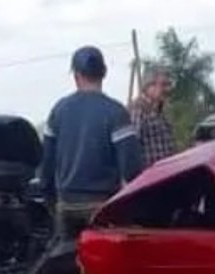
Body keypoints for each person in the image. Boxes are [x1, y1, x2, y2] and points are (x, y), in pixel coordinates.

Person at [40, 45, 143, 240]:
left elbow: (46, 164)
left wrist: (52, 201)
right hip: (102, 206)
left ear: (76, 75)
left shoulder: (59, 110)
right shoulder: (116, 112)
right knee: (103, 268)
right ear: (104, 73)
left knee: (67, 266)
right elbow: (132, 169)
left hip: (67, 204)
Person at [130, 66, 176, 166]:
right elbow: (131, 148)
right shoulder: (138, 109)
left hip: (167, 173)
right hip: (150, 176)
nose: (167, 89)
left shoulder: (162, 110)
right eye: (163, 85)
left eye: (168, 84)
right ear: (149, 86)